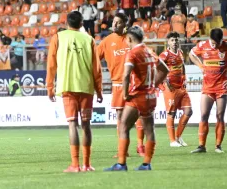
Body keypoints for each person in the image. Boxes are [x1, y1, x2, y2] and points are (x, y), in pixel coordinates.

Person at [104, 26, 169, 171]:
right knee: (149, 130)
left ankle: (121, 164)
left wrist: (125, 94)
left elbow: (126, 75)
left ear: (130, 38)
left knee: (123, 126)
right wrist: (153, 85)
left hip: (138, 96)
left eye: (127, 39)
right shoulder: (149, 51)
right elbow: (165, 69)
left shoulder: (132, 53)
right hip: (151, 96)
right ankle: (146, 164)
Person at [46, 11, 102, 172]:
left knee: (72, 124)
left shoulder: (58, 38)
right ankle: (87, 164)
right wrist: (99, 90)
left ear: (66, 23)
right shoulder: (89, 39)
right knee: (86, 125)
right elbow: (96, 67)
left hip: (67, 86)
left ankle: (75, 164)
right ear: (82, 23)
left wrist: (50, 87)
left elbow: (51, 65)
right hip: (86, 86)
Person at [97, 13, 146, 158]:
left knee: (140, 115)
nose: (114, 25)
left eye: (118, 22)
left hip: (134, 83)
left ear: (125, 23)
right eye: (113, 22)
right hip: (118, 84)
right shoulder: (107, 41)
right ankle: (123, 150)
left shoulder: (131, 39)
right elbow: (94, 58)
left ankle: (140, 145)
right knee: (120, 117)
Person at [189, 28, 227, 153]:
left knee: (220, 116)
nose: (215, 46)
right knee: (203, 115)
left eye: (217, 43)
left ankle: (218, 146)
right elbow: (191, 54)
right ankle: (201, 146)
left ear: (221, 40)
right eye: (213, 43)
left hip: (222, 87)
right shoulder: (203, 45)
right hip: (207, 87)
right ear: (210, 39)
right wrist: (200, 66)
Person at [159, 32, 192, 147]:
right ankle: (172, 140)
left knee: (188, 111)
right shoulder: (164, 55)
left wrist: (185, 78)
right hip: (170, 88)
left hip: (181, 86)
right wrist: (164, 79)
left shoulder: (181, 53)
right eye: (172, 40)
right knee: (171, 113)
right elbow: (157, 68)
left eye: (176, 40)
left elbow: (182, 66)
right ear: (168, 42)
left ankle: (178, 137)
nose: (175, 42)